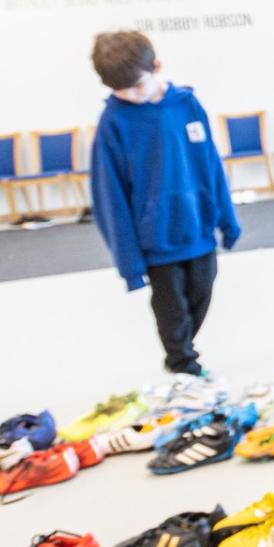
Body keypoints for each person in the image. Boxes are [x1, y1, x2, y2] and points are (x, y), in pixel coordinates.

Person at [87, 30, 240, 378]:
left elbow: (210, 165)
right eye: (120, 91)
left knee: (202, 291)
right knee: (171, 309)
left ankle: (182, 351)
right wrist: (128, 261)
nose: (131, 96)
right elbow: (110, 197)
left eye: (137, 86)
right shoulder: (113, 122)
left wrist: (227, 220)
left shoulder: (187, 105)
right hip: (155, 240)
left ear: (157, 65)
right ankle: (183, 365)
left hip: (198, 227)